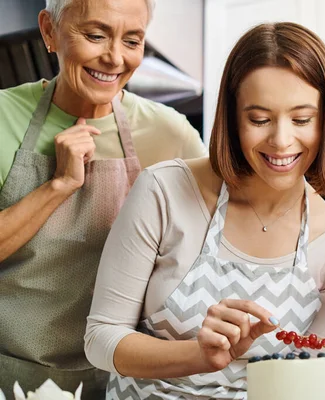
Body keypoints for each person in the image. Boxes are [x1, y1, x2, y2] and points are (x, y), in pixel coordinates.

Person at [85, 22, 325, 399]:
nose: (282, 141)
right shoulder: (165, 191)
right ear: (232, 119)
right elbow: (101, 337)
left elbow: (306, 380)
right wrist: (199, 355)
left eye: (302, 119)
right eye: (259, 120)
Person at [0, 0, 207, 397]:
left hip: (124, 380)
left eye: (132, 40)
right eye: (95, 35)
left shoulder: (170, 134)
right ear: (49, 31)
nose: (114, 58)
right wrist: (57, 186)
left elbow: (234, 224)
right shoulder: (4, 117)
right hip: (9, 375)